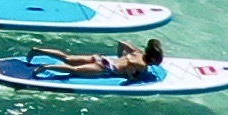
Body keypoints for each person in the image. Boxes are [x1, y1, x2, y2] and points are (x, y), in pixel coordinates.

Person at [23, 38, 167, 81]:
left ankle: (38, 50)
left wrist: (118, 56)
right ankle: (47, 67)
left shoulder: (137, 52)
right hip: (104, 68)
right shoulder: (142, 65)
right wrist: (131, 77)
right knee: (75, 70)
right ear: (153, 59)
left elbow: (122, 43)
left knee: (67, 57)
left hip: (100, 58)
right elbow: (130, 65)